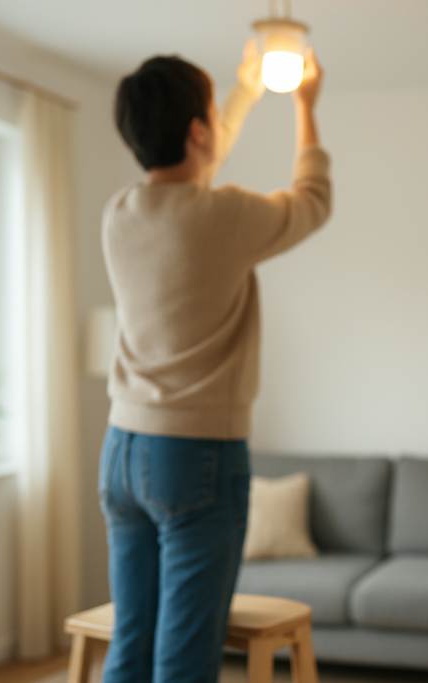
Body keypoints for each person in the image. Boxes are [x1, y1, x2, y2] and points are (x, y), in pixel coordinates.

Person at [98, 41, 330, 683]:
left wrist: (245, 92)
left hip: (121, 451)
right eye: (211, 115)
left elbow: (197, 158)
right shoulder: (224, 215)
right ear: (198, 130)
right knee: (184, 661)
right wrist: (304, 106)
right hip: (194, 456)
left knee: (133, 646)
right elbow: (312, 199)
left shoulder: (118, 214)